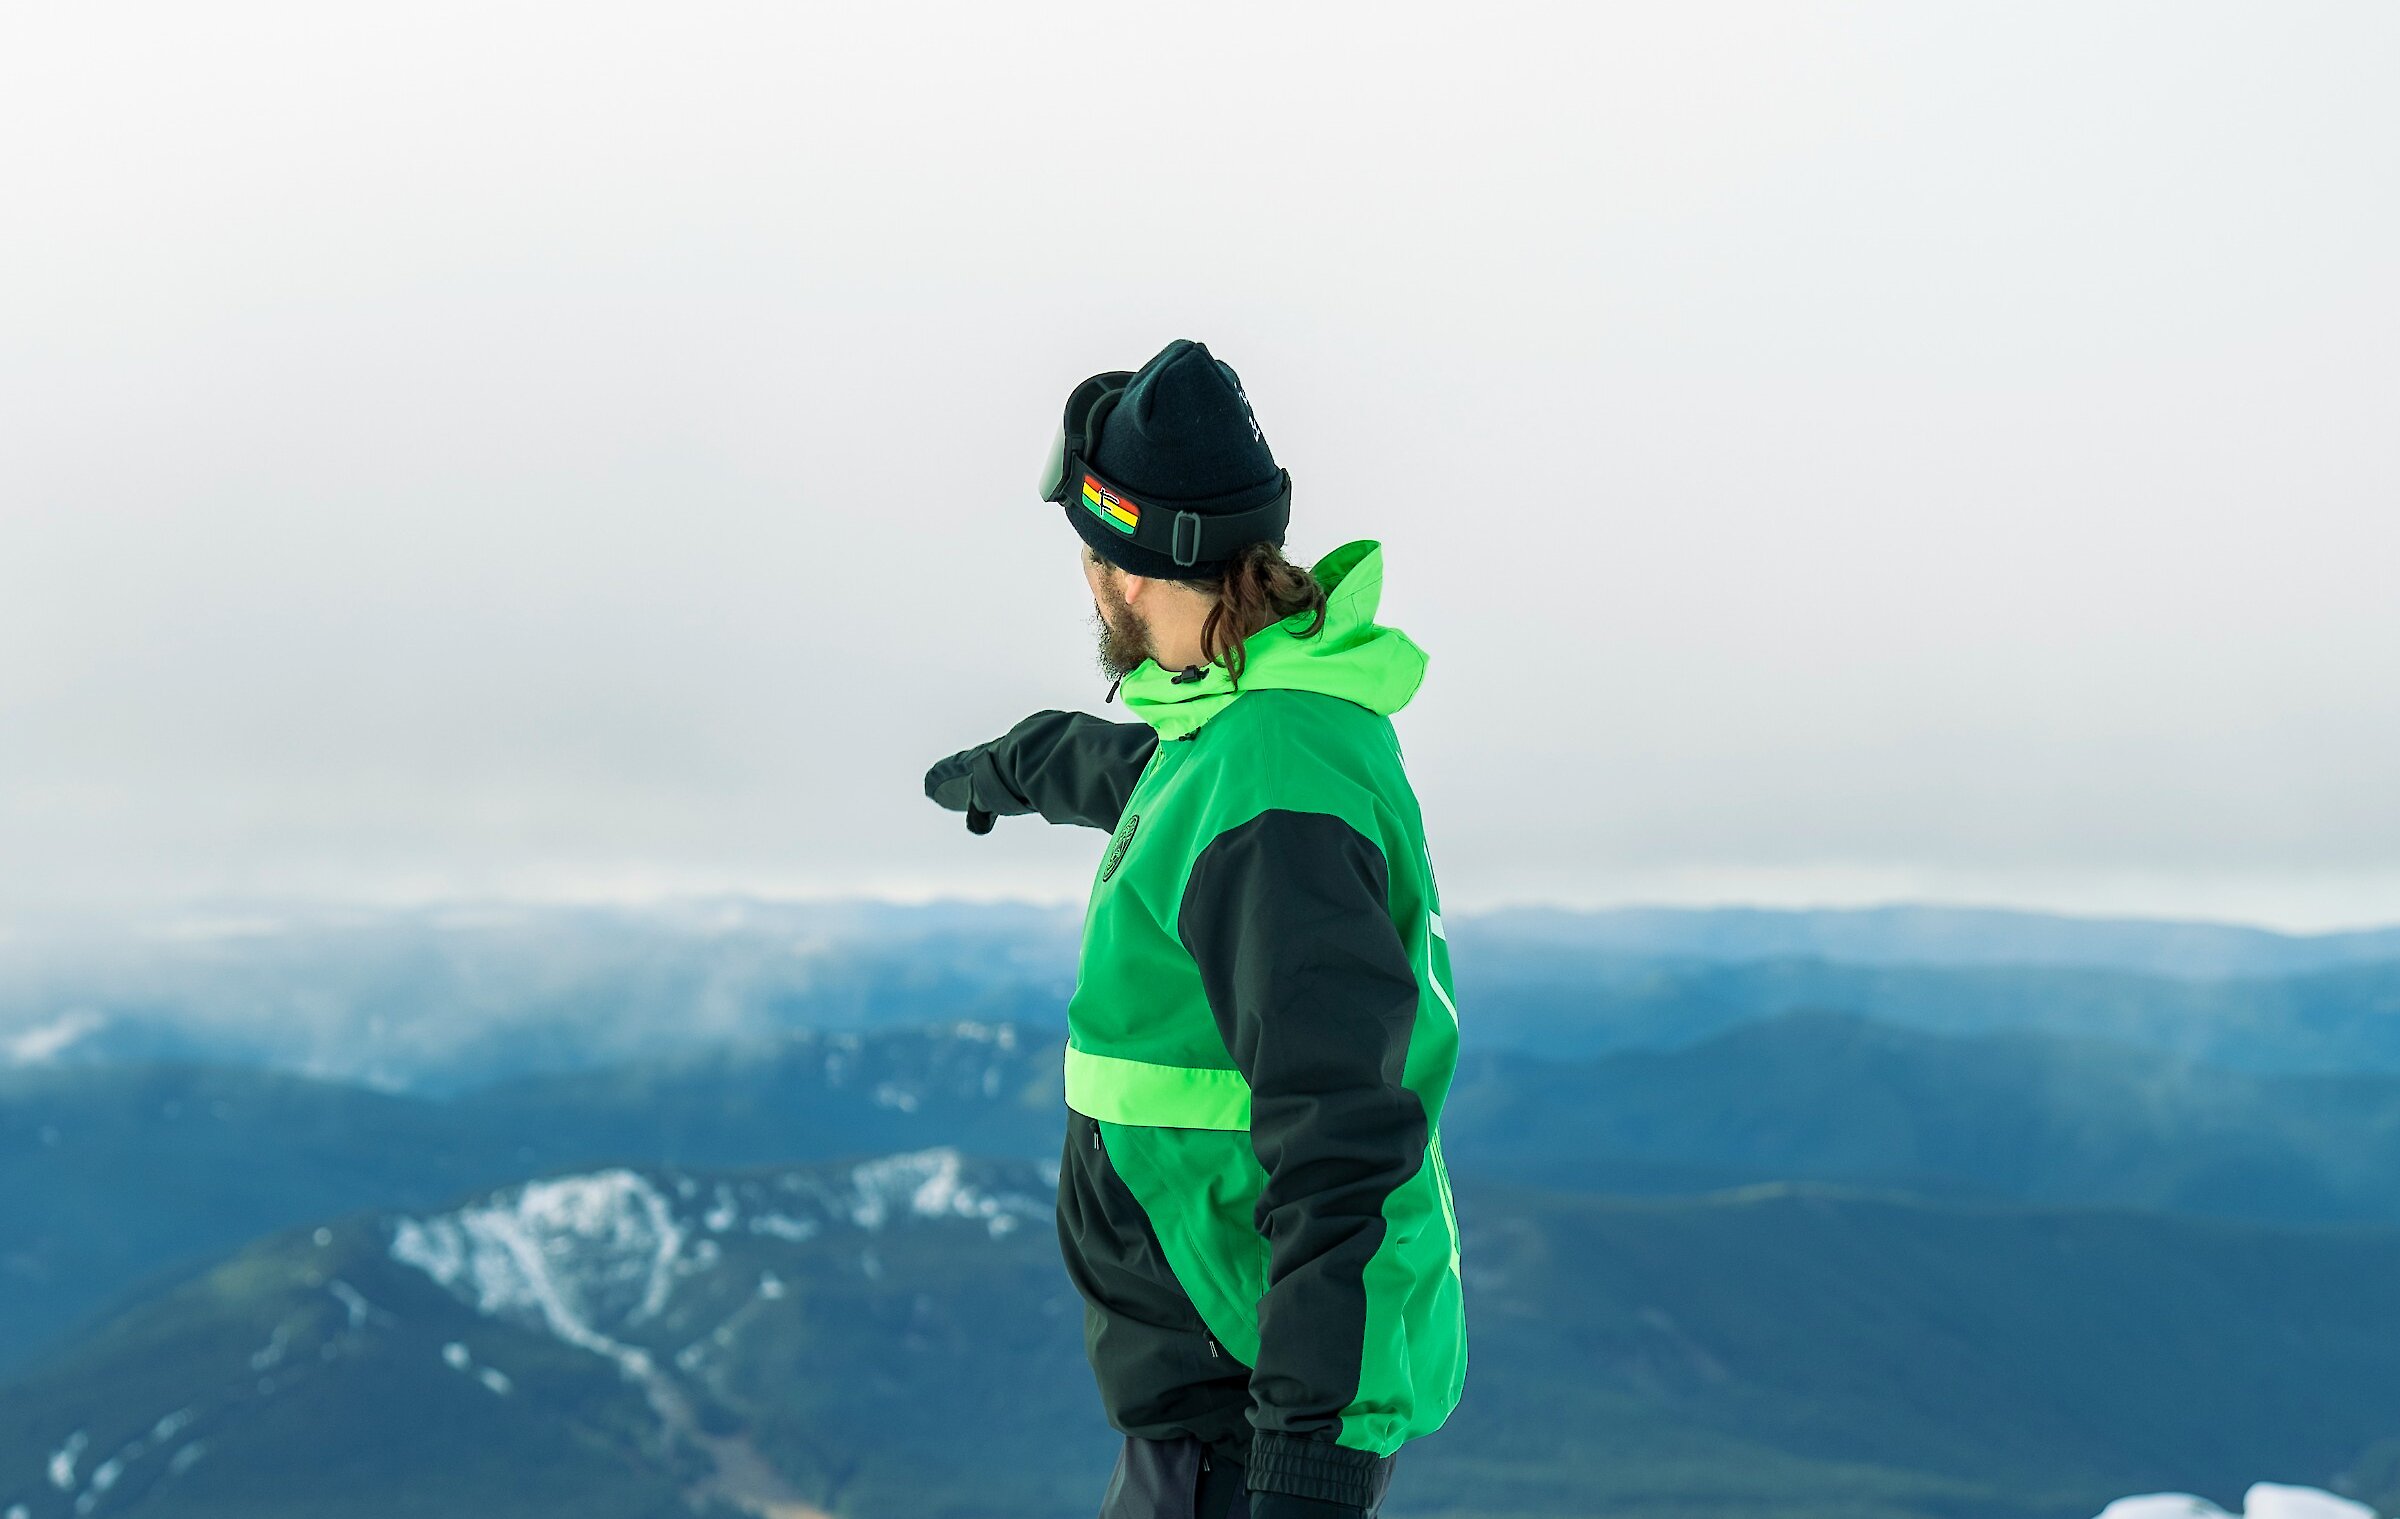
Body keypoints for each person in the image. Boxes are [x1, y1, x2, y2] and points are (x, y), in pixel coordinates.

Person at [924, 338, 1466, 1519]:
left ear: (1121, 567)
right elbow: (1167, 783)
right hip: (1209, 1387)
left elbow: (1343, 1135)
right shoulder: (1251, 727)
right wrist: (1020, 766)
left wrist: (1307, 1467)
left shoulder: (1273, 790)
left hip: (1248, 1415)